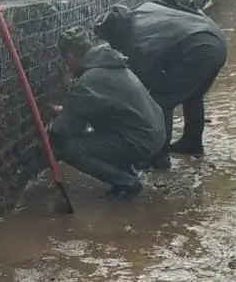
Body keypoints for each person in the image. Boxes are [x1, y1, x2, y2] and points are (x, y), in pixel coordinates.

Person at [93, 0, 227, 167]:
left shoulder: (136, 41)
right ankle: (192, 142)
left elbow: (144, 81)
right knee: (193, 96)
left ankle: (159, 155)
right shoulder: (144, 10)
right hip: (216, 40)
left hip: (200, 49)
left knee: (161, 100)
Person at [48, 27, 165, 201]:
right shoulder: (110, 63)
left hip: (141, 140)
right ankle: (127, 172)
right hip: (155, 132)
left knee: (68, 148)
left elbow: (68, 128)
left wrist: (51, 127)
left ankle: (126, 182)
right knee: (101, 130)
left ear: (71, 57)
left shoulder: (88, 81)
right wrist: (69, 108)